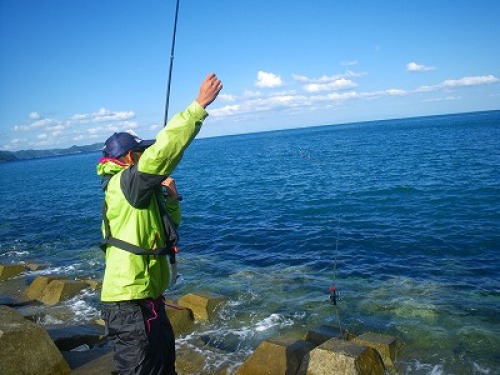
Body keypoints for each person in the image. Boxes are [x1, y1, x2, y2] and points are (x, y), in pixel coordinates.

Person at [96, 73, 222, 375]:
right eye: (141, 153)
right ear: (129, 157)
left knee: (165, 366)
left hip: (147, 298)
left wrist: (172, 198)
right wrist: (198, 107)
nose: (145, 158)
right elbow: (163, 153)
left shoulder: (139, 192)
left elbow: (167, 229)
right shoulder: (126, 183)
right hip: (129, 303)